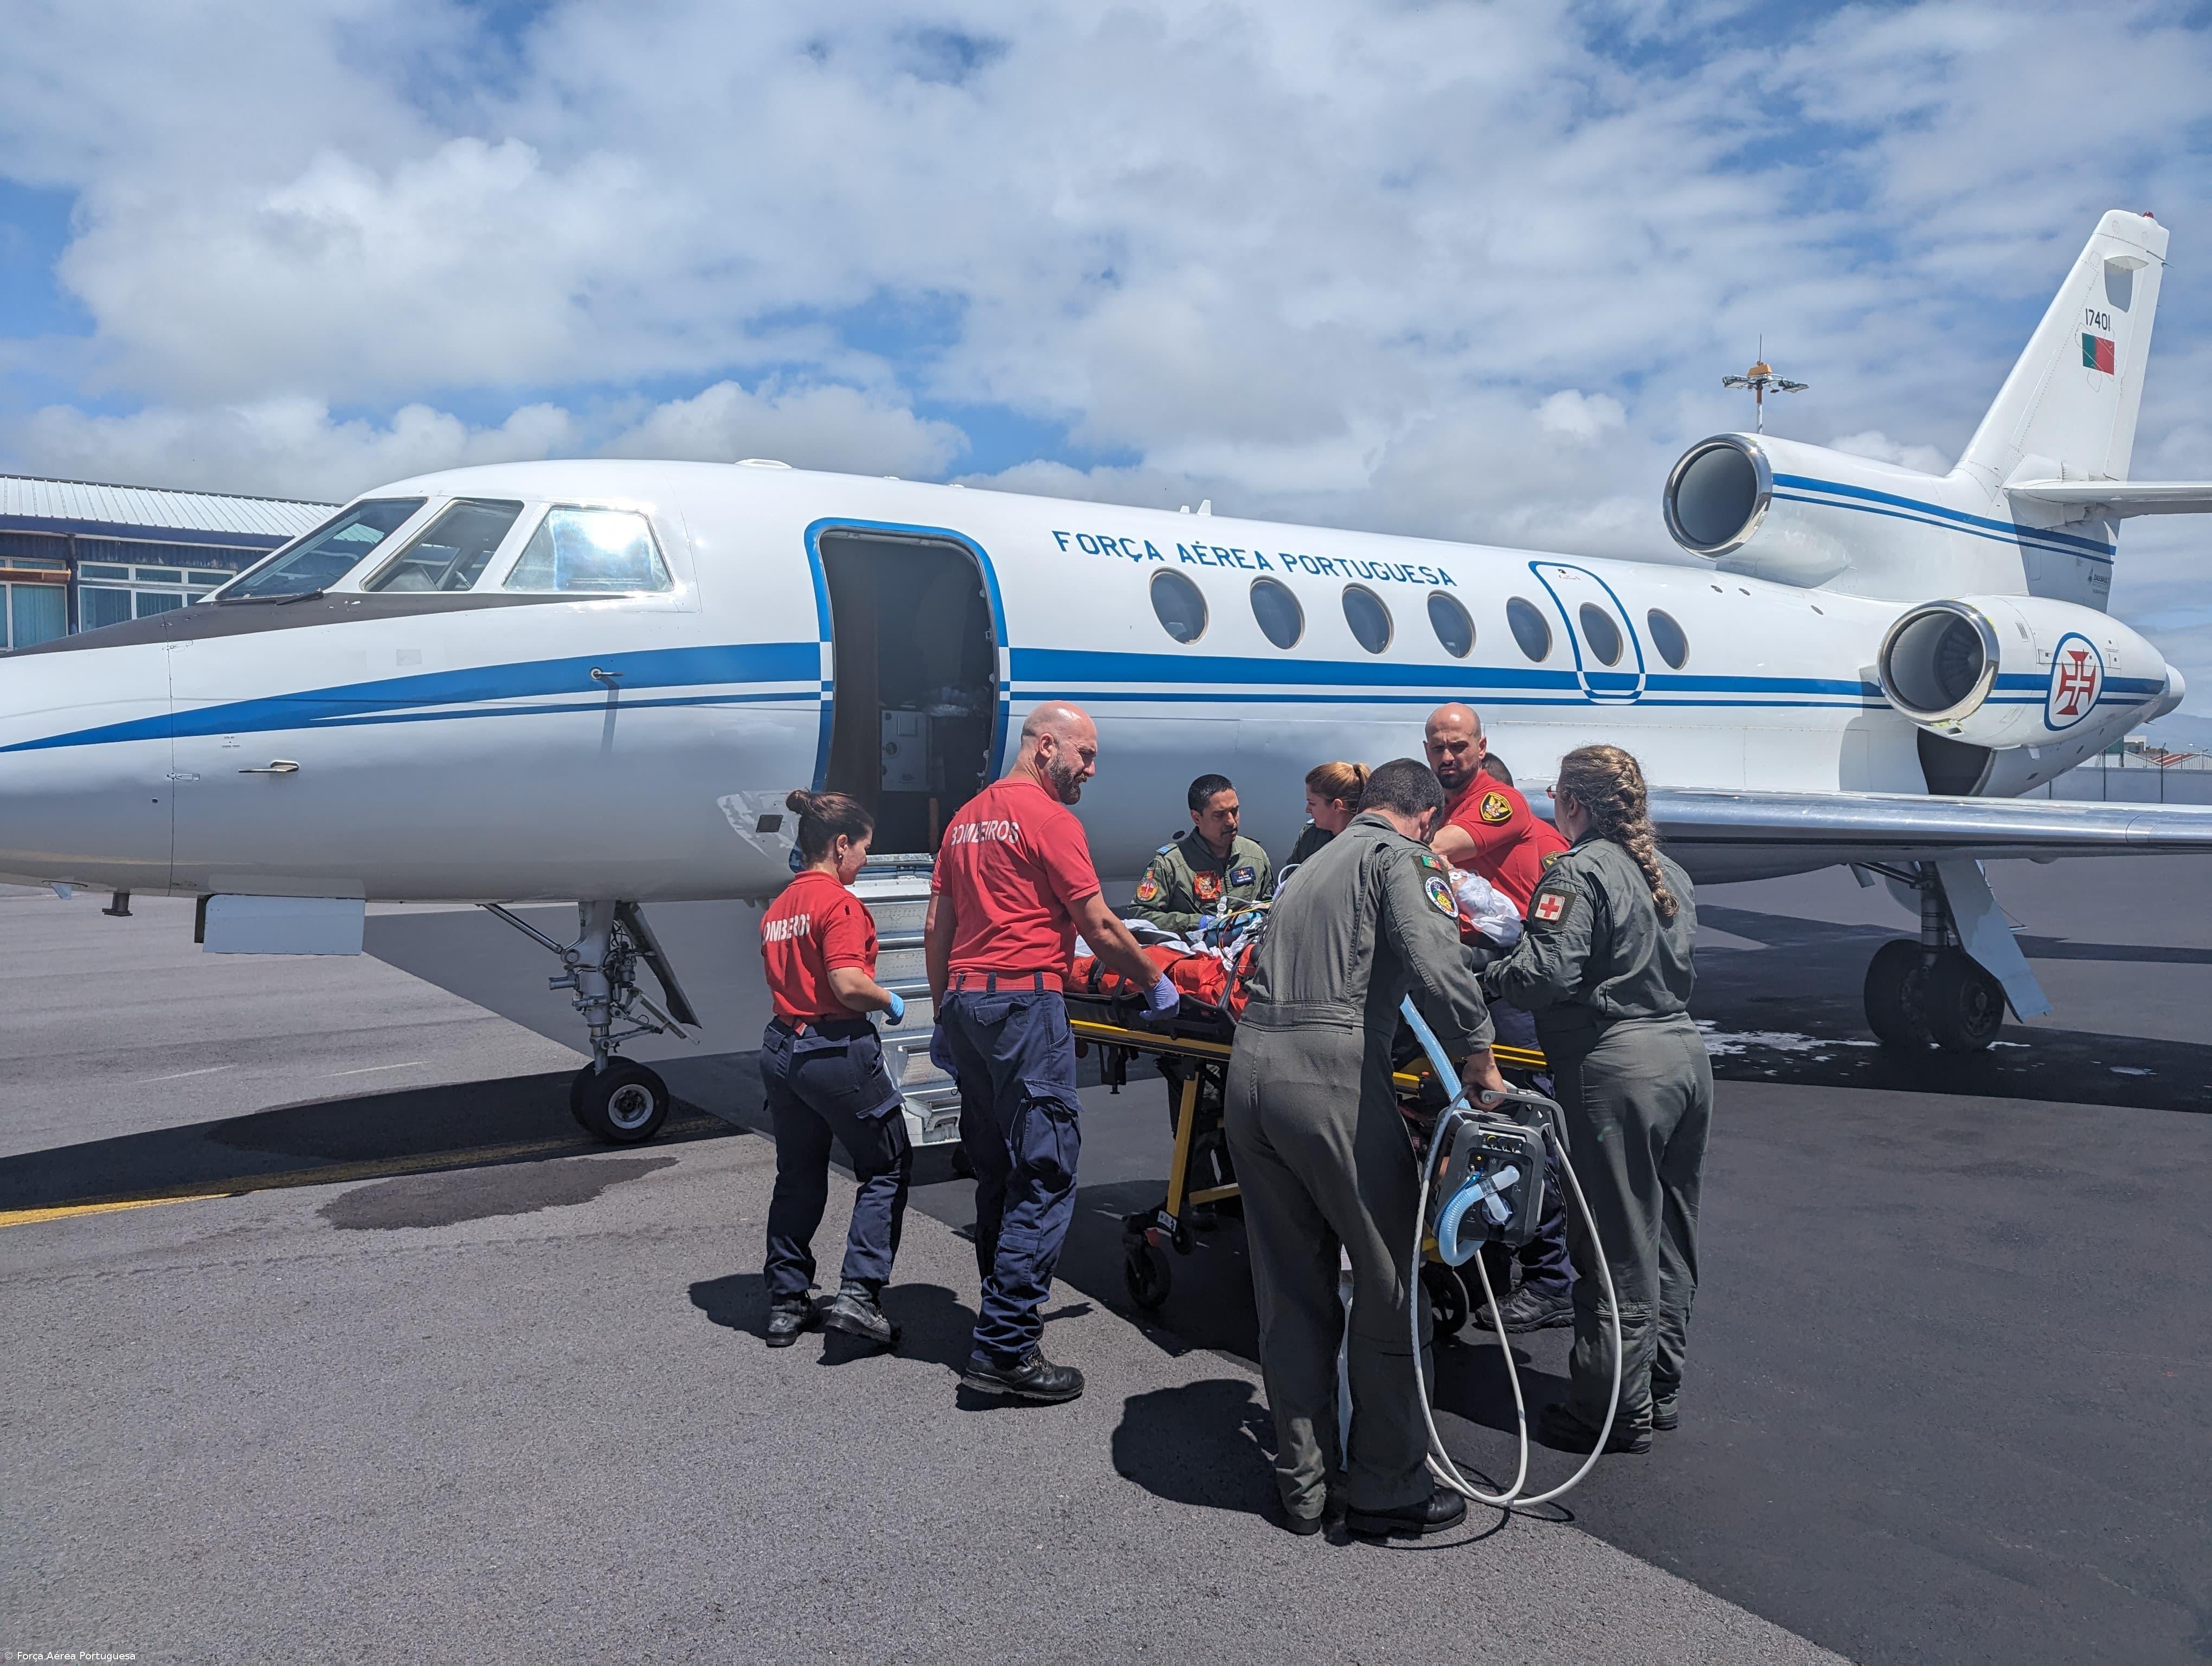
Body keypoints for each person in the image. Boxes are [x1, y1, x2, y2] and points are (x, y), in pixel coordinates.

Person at [1225, 758, 1509, 1539]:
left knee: (1289, 1290)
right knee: (1389, 1284)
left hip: (1250, 1077)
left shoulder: (1312, 865)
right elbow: (1435, 957)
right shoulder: (1403, 858)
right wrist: (1479, 1054)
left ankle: (1303, 1488)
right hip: (1331, 1079)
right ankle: (1386, 1488)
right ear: (1423, 816)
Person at [925, 701, 1173, 1403]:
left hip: (970, 1009)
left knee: (999, 1174)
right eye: (1084, 756)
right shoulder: (1051, 820)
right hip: (1025, 1011)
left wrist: (945, 1011)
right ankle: (1004, 1350)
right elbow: (1096, 921)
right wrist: (1153, 981)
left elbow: (937, 926)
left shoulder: (966, 820)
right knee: (1046, 1173)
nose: (1090, 771)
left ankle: (1005, 1320)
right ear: (1044, 748)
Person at [1479, 744, 1712, 1457]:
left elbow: (1547, 973)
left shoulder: (1575, 873)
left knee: (1613, 1243)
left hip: (1617, 1068)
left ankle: (1611, 1409)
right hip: (1683, 1060)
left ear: (1574, 804)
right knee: (1669, 1235)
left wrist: (1480, 971)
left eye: (1558, 796)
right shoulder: (1667, 872)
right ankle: (1658, 1390)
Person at [1423, 702, 1575, 1334]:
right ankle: (1491, 1258)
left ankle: (1551, 1280)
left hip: (1521, 987)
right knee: (1471, 1124)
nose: (1448, 756)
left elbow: (1425, 856)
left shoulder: (1496, 805)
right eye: (1438, 747)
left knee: (1524, 1125)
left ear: (1481, 748)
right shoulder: (1450, 807)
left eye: (1458, 745)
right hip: (1484, 979)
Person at [757, 790, 912, 1351]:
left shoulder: (781, 906)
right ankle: (860, 1296)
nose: (866, 860)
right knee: (887, 1164)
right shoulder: (839, 903)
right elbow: (847, 984)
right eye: (864, 849)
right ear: (840, 844)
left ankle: (787, 1301)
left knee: (798, 1175)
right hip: (835, 1047)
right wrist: (889, 1000)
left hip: (783, 1048)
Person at [1129, 773, 1274, 934]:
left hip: (1245, 952)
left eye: (1235, 811)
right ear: (1197, 818)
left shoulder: (1254, 856)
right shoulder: (1171, 864)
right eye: (1219, 815)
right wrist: (1198, 923)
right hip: (1194, 955)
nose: (1231, 821)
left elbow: (1271, 906)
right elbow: (1140, 915)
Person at [1279, 761, 1368, 878]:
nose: (1307, 810)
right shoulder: (1310, 836)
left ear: (1336, 806)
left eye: (1312, 803)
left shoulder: (1369, 848)